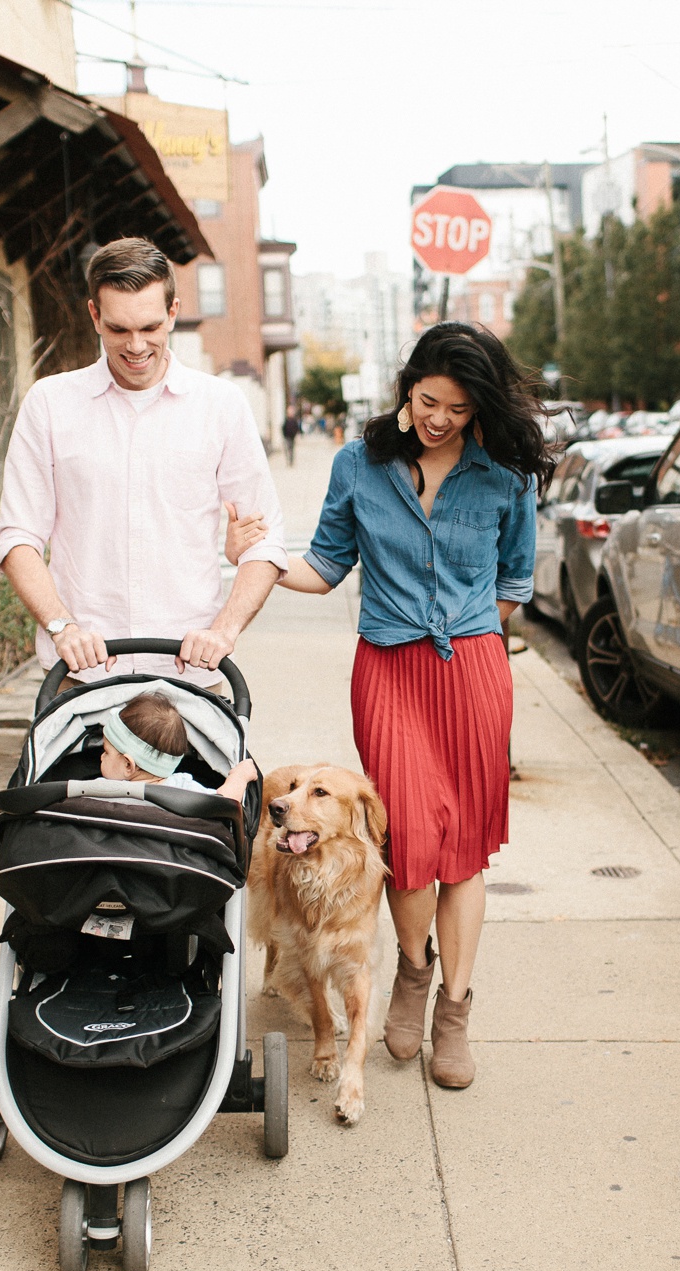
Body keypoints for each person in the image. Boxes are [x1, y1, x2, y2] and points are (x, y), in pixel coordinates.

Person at [234, 322, 550, 1089]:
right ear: (408, 386)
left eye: (460, 409)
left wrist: (469, 646)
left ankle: (454, 1007)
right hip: (388, 674)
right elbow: (325, 565)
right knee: (408, 843)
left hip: (472, 672)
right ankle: (412, 973)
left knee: (464, 848)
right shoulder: (360, 463)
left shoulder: (504, 475)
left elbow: (515, 585)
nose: (441, 418)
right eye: (430, 400)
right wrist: (256, 556)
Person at [0, 237, 285, 690]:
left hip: (189, 676)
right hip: (81, 677)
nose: (136, 346)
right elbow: (17, 537)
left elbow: (266, 545)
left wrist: (224, 631)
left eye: (150, 327)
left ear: (173, 312)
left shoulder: (221, 405)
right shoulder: (49, 404)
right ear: (94, 315)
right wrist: (61, 626)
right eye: (118, 329)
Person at [100, 692, 258, 802]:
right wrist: (240, 776)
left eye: (106, 752)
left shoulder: (101, 791)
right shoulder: (184, 789)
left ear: (128, 765)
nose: (101, 757)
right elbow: (226, 801)